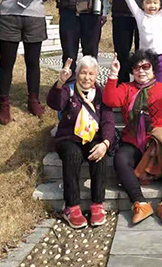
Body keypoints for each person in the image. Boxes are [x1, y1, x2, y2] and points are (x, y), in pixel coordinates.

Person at [102, 50, 162, 225]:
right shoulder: (126, 88)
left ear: (153, 69)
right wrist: (113, 74)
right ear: (132, 71)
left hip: (159, 141)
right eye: (137, 68)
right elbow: (110, 100)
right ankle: (140, 203)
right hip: (133, 141)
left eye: (146, 66)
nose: (141, 71)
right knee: (120, 159)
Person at [46, 56, 114, 229]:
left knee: (99, 154)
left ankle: (98, 204)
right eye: (83, 73)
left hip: (92, 137)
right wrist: (60, 82)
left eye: (91, 74)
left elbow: (108, 121)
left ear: (96, 75)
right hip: (68, 138)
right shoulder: (68, 89)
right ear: (77, 74)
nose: (87, 77)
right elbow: (55, 103)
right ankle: (71, 206)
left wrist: (105, 143)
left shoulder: (100, 93)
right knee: (73, 154)